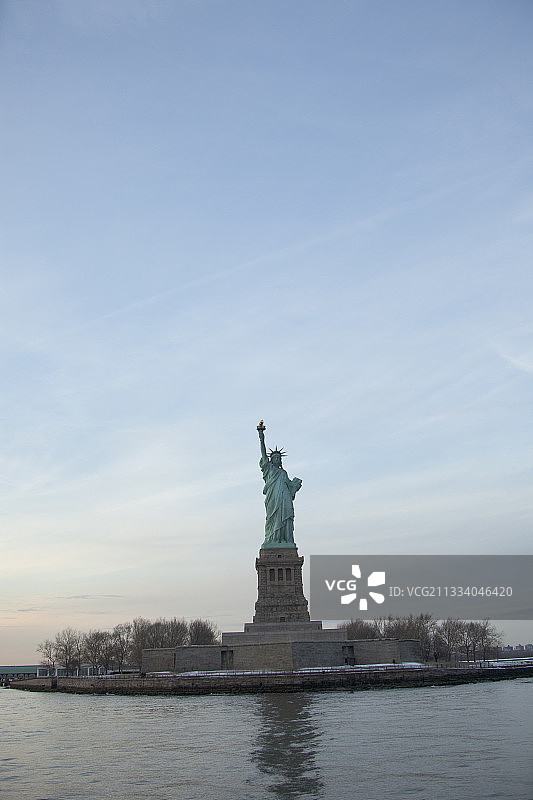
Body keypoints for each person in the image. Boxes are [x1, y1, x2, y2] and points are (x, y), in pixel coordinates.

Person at [257, 421, 302, 545]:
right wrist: (261, 436)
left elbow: (290, 487)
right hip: (273, 498)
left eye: (279, 458)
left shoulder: (283, 473)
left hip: (284, 498)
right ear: (271, 460)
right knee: (273, 518)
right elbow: (263, 452)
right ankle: (273, 539)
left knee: (287, 517)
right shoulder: (269, 469)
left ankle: (286, 540)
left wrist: (296, 485)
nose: (277, 459)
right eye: (275, 458)